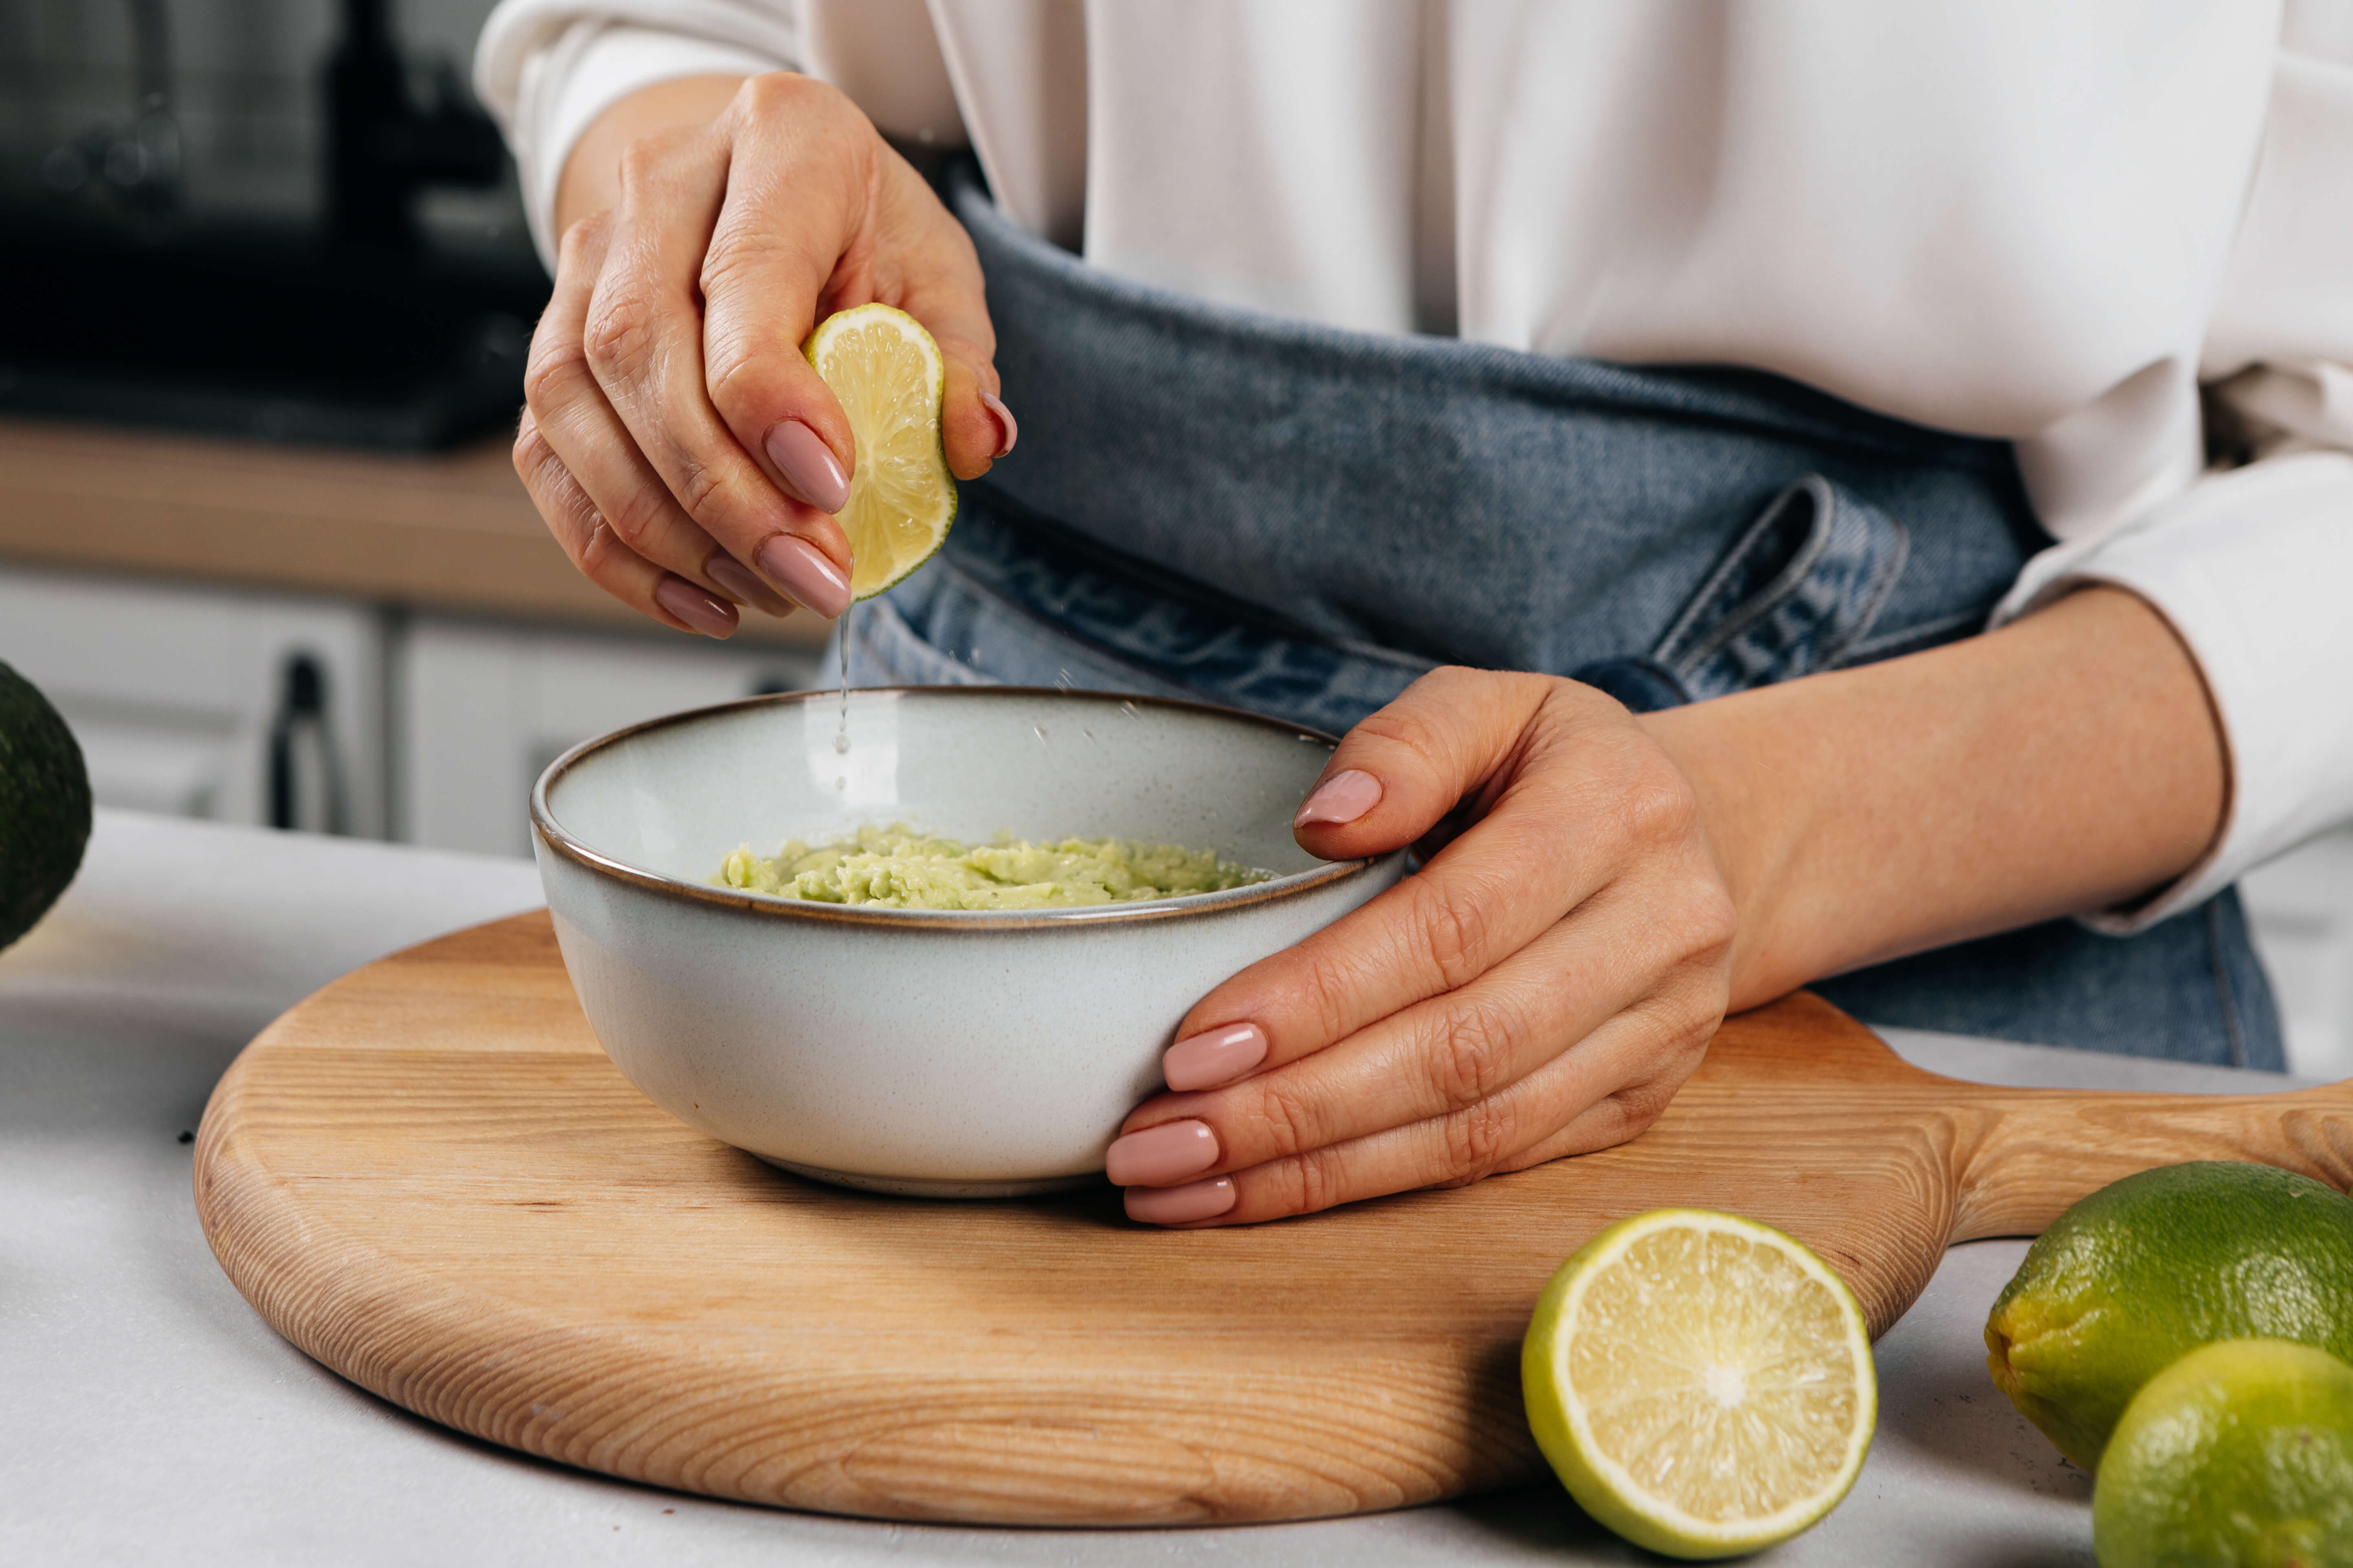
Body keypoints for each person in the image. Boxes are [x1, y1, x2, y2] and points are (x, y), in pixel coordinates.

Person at [475, 1, 2353, 1227]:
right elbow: (641, 32)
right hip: (906, 1036)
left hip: (1936, 980)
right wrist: (684, 165)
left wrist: (1760, 838)